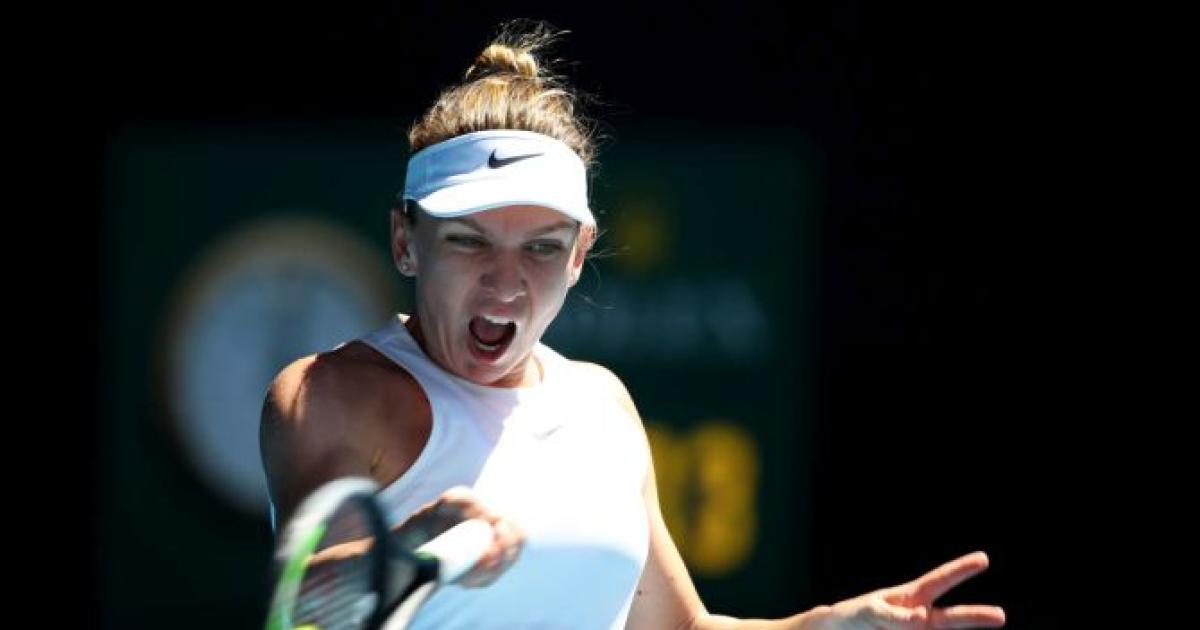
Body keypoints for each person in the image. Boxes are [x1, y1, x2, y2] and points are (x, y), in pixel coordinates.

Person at [259, 20, 1007, 630]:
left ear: (579, 254)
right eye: (469, 241)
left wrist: (822, 626)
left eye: (541, 248)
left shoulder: (601, 405)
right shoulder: (332, 393)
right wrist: (416, 547)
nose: (506, 281)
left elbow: (682, 629)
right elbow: (299, 605)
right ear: (405, 240)